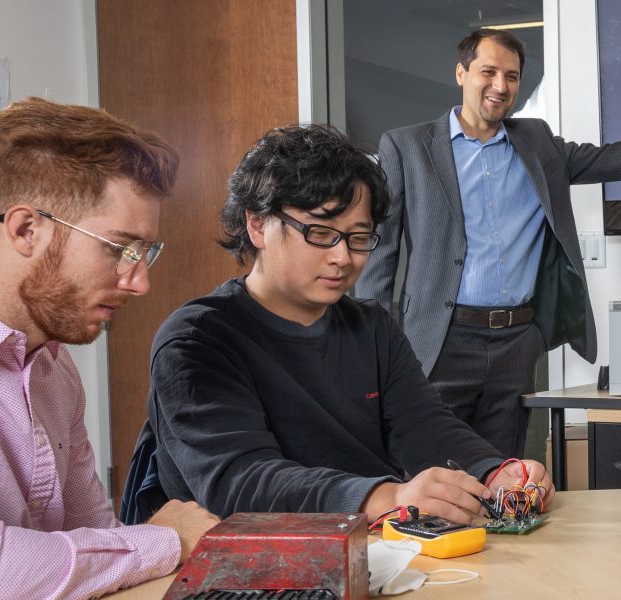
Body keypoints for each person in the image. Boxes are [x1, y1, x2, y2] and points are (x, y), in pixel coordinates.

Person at [147, 123, 554, 525]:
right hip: (250, 567)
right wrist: (387, 496)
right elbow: (241, 482)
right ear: (257, 225)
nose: (344, 257)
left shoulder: (371, 327)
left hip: (370, 551)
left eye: (359, 237)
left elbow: (426, 426)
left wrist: (494, 472)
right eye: (320, 232)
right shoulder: (197, 340)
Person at [354, 28, 621, 457]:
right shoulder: (408, 146)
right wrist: (375, 347)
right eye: (488, 72)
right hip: (441, 339)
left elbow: (612, 158)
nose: (501, 86)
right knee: (432, 470)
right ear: (461, 73)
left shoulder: (536, 142)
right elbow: (378, 255)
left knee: (504, 474)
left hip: (516, 340)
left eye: (512, 76)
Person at [0, 98, 219, 599]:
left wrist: (139, 549)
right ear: (26, 229)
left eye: (144, 253)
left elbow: (96, 550)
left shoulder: (53, 366)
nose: (139, 283)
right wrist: (164, 538)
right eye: (119, 249)